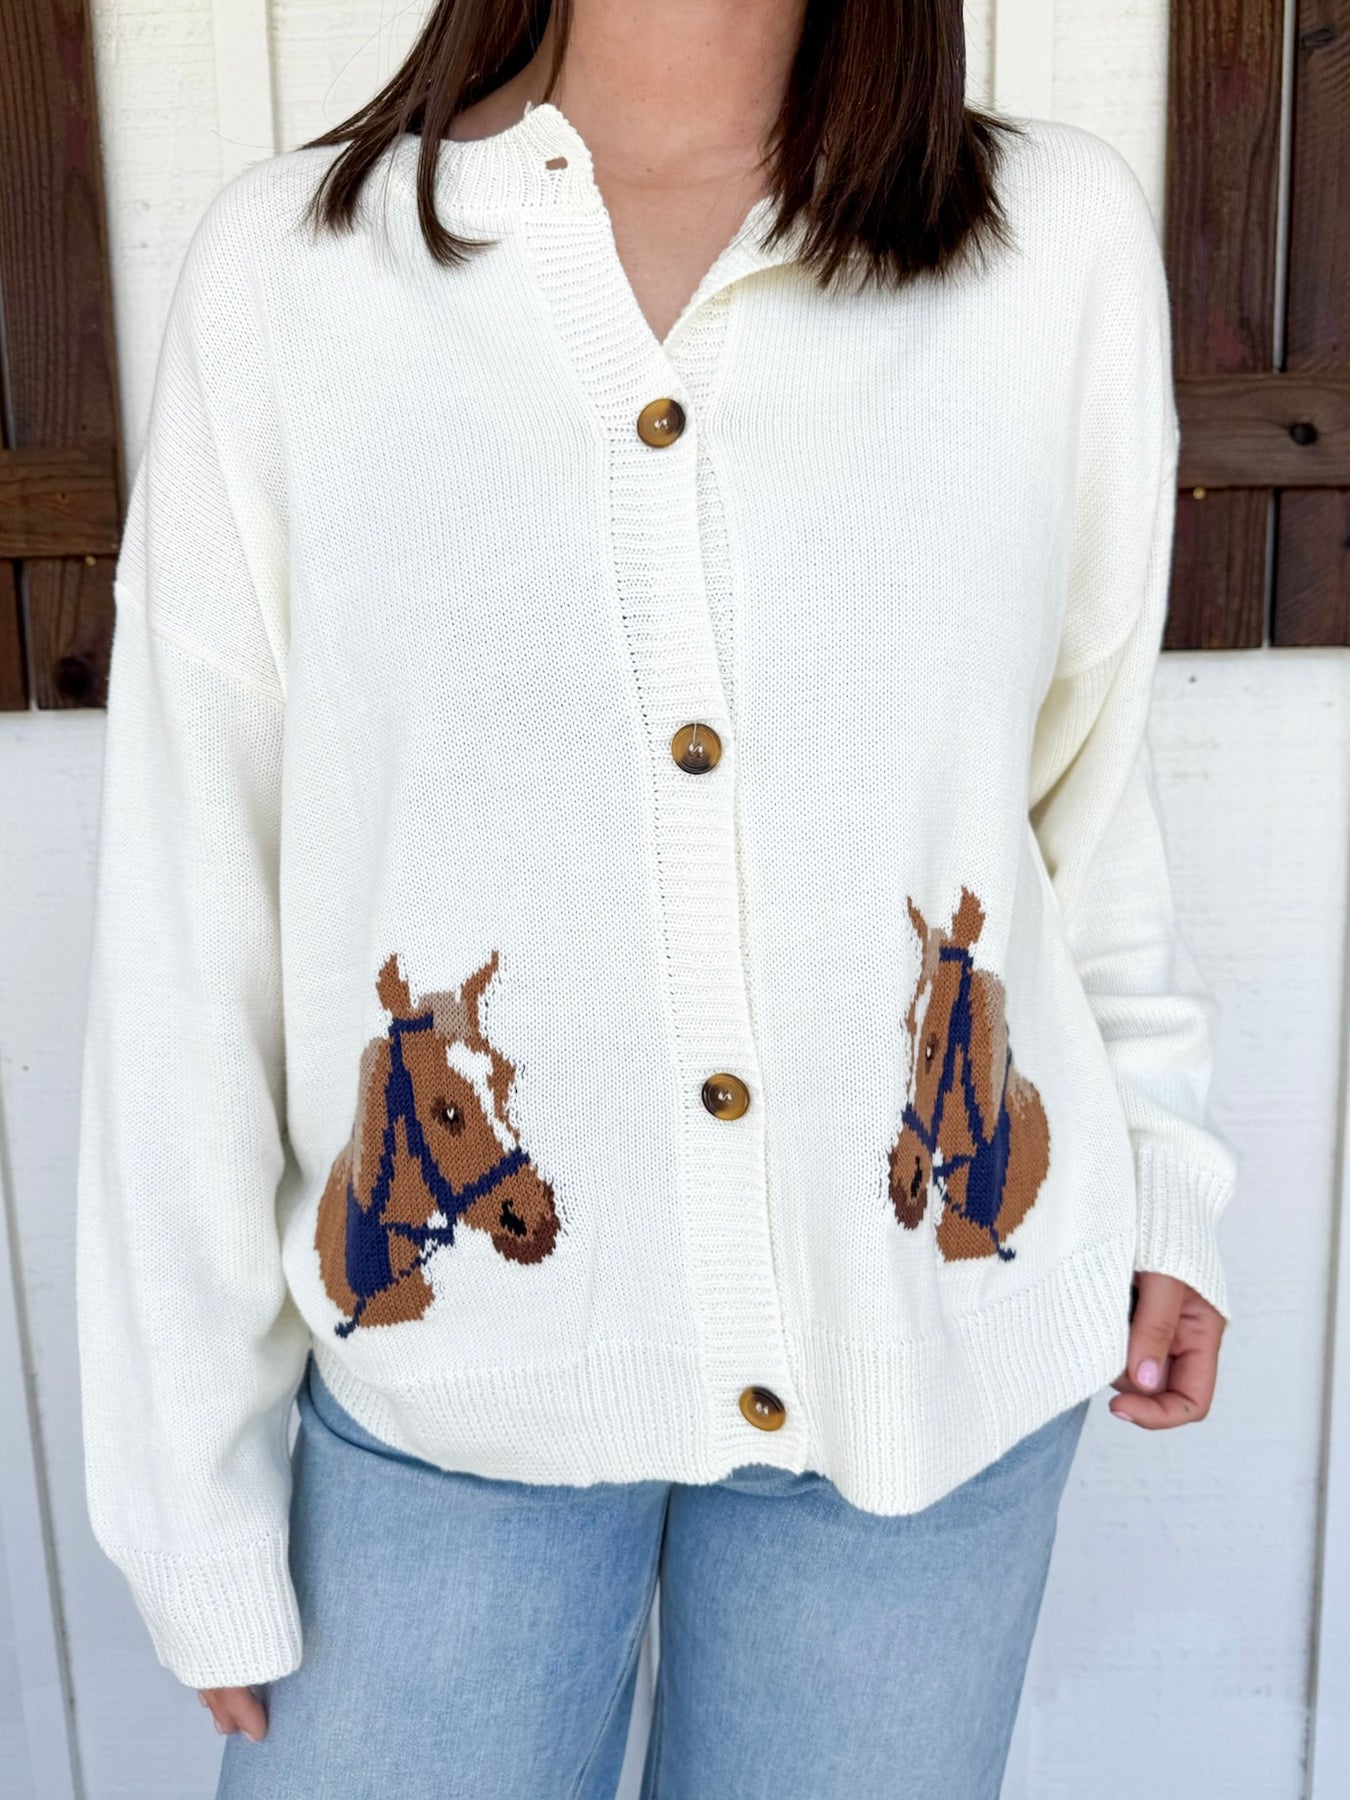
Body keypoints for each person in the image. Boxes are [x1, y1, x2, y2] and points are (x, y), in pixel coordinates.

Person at [75, 0, 1237, 1794]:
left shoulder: (1047, 244)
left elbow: (1079, 789)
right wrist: (190, 1496)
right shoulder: (297, 277)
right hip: (451, 1398)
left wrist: (1162, 1180)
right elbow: (190, 918)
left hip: (928, 1369)